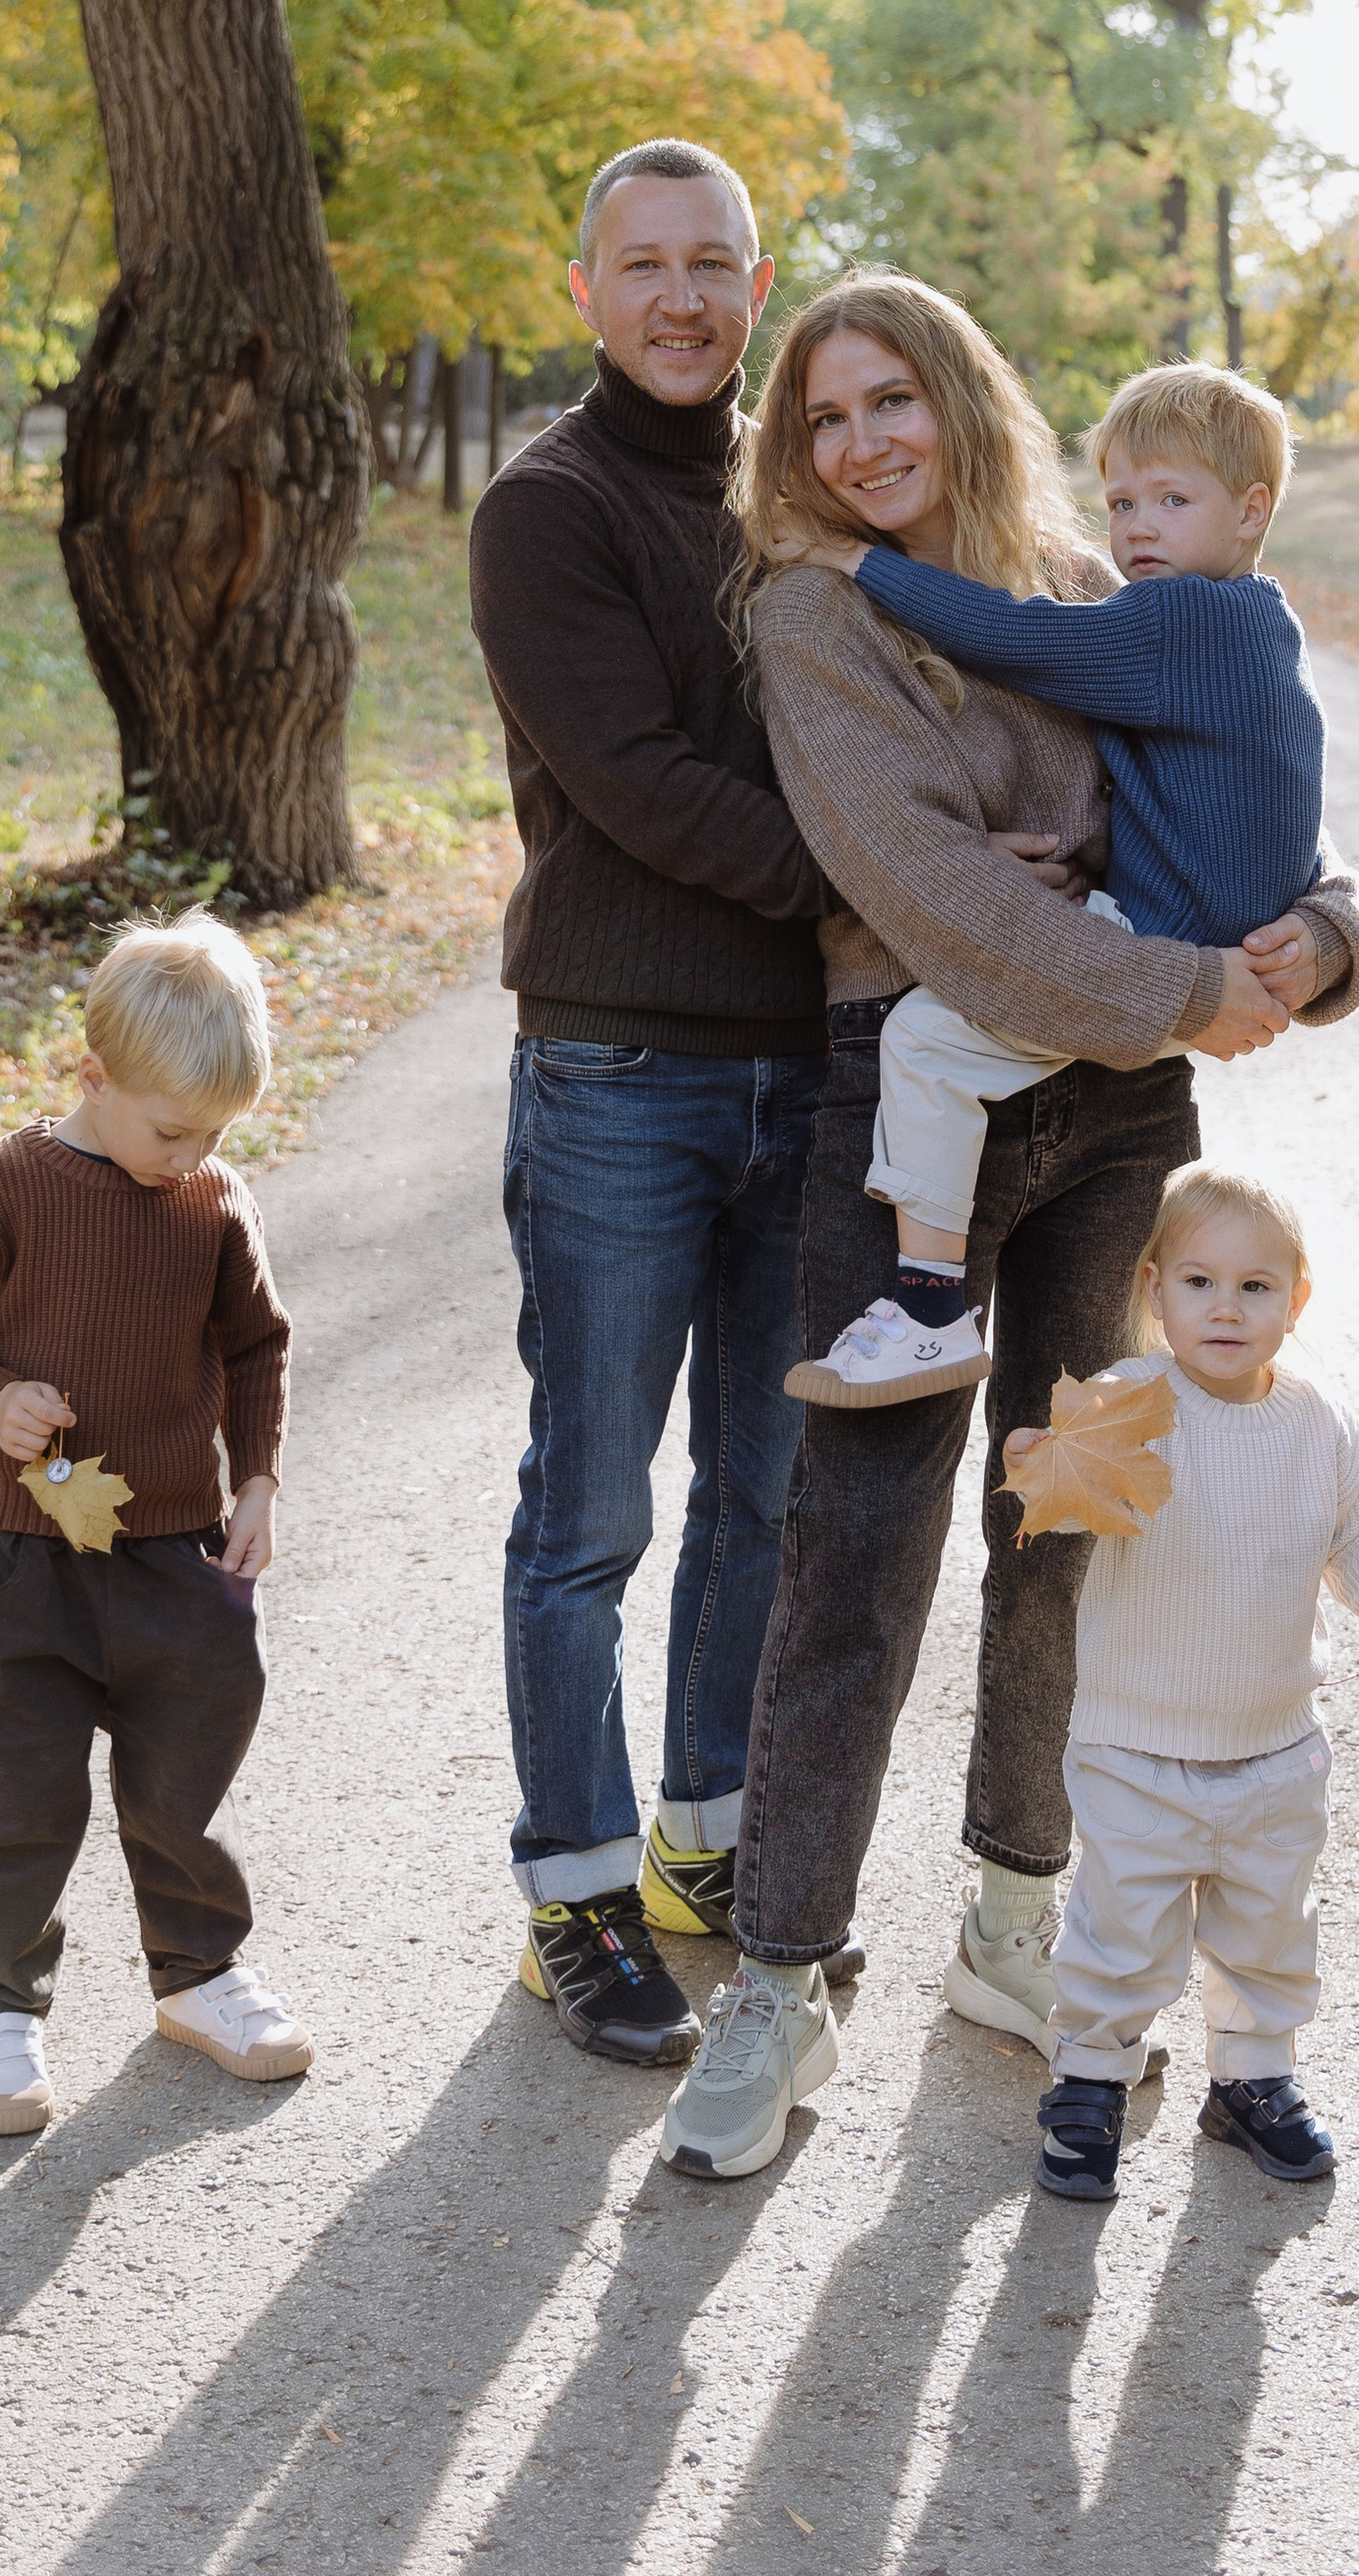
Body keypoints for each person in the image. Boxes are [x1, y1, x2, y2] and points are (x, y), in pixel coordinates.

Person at [657, 274, 1359, 2181]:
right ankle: (783, 1976)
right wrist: (1169, 976)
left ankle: (1009, 1916)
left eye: (894, 401)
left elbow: (1257, 770)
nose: (862, 444)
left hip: (1124, 1113)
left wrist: (1323, 930)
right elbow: (925, 892)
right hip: (918, 1109)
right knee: (857, 1554)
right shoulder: (818, 611)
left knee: (1066, 1527)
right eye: (824, 419)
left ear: (964, 402)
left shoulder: (1093, 574)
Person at [466, 138, 839, 2070]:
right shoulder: (548, 508)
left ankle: (705, 1848)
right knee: (588, 1514)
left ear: (753, 284)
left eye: (713, 263)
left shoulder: (805, 494)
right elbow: (637, 786)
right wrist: (875, 885)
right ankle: (575, 1897)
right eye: (644, 264)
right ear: (586, 286)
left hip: (808, 1071)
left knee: (762, 1500)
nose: (680, 297)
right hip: (615, 1065)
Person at [779, 359, 1325, 1408]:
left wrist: (857, 564)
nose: (1138, 530)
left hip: (1162, 950)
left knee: (927, 1041)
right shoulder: (1259, 619)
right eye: (1122, 502)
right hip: (1203, 948)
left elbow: (1013, 639)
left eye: (1173, 500)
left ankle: (930, 1309)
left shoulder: (1179, 621)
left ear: (1252, 511)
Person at [0, 911, 312, 2137]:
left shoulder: (210, 1200)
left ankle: (200, 1978)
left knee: (186, 1777)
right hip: (15, 1557)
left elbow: (255, 1346)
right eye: (171, 1128)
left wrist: (259, 1482)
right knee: (14, 1790)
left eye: (217, 1131)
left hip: (178, 1552)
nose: (192, 1155)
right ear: (93, 1078)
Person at [1024, 1162, 1359, 2206]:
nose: (1226, 1306)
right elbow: (1070, 1495)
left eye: (1256, 1287)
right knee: (1122, 1926)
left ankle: (1252, 2077)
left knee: (1268, 1925)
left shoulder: (1320, 1424)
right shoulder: (1129, 1401)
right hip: (1135, 1742)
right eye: (1199, 1282)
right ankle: (1091, 2075)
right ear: (1155, 1291)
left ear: (1295, 1304)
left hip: (1272, 1744)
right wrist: (1053, 1470)